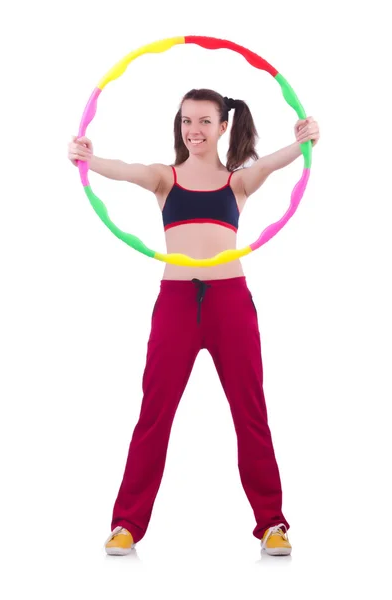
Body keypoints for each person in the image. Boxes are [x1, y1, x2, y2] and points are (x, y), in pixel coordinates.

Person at [68, 89, 320, 556]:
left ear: (224, 126)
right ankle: (126, 523)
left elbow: (275, 163)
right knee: (154, 414)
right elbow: (123, 169)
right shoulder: (164, 178)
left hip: (230, 303)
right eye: (186, 121)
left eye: (204, 121)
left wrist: (304, 140)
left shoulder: (237, 182)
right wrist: (88, 158)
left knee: (251, 414)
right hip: (177, 303)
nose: (193, 130)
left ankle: (272, 523)